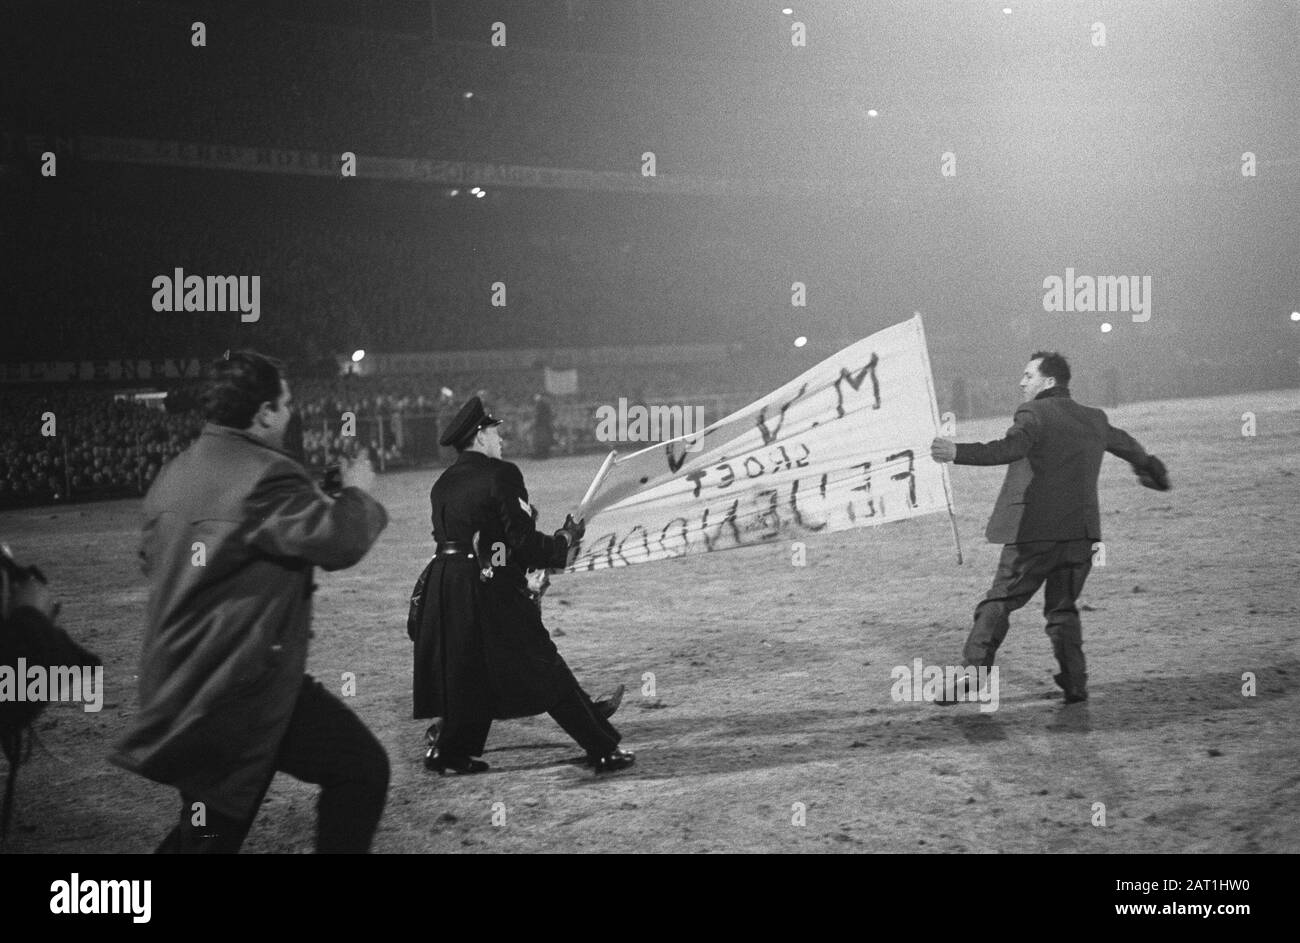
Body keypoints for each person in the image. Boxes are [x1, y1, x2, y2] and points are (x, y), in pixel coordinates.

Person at [110, 351, 391, 852]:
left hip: (185, 685)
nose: (289, 414)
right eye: (285, 404)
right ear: (263, 412)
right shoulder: (268, 474)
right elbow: (339, 542)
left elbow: (161, 559)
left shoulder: (175, 473)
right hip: (244, 690)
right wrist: (359, 493)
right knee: (360, 769)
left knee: (210, 829)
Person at [930, 351, 1170, 704]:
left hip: (1035, 534)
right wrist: (1152, 471)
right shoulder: (1095, 418)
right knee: (1062, 610)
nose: (1021, 381)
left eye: (1028, 375)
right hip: (1082, 535)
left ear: (1049, 381)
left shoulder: (1034, 413)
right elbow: (1128, 446)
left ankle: (973, 675)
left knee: (999, 601)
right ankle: (1075, 684)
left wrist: (956, 452)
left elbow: (1009, 448)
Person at [411, 395, 633, 774]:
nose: (501, 438)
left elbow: (481, 541)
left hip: (447, 586)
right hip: (489, 588)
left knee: (469, 672)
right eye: (495, 431)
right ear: (480, 437)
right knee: (544, 665)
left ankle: (447, 751)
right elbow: (521, 543)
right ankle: (601, 748)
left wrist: (504, 554)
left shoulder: (442, 484)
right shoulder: (502, 475)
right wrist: (563, 541)